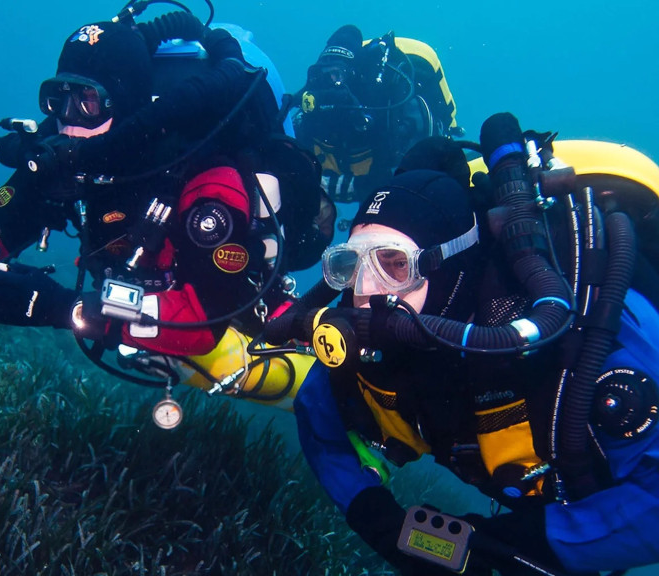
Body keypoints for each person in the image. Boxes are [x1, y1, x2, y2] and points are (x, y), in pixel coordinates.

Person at [267, 113, 659, 574]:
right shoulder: (364, 360)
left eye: (395, 264)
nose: (364, 291)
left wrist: (513, 545)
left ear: (450, 267)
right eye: (350, 265)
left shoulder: (575, 337)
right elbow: (319, 422)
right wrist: (376, 518)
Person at [0, 7, 333, 398]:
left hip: (223, 304)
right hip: (137, 301)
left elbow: (205, 319)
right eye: (57, 99)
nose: (67, 119)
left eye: (88, 101)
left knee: (258, 370)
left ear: (126, 103)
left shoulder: (202, 172)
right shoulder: (68, 154)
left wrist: (66, 308)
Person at [292, 24, 463, 234]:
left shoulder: (388, 109)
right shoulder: (311, 114)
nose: (330, 85)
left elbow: (408, 172)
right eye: (324, 75)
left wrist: (352, 187)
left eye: (337, 75)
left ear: (355, 77)